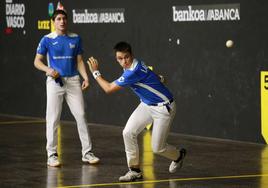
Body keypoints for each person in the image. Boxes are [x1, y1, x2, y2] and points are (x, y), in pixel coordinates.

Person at [87, 41, 186, 182]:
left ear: (131, 55)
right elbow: (150, 74)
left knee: (158, 148)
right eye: (120, 59)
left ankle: (178, 155)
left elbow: (108, 88)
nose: (124, 61)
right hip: (146, 105)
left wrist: (95, 72)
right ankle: (134, 170)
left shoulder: (133, 71)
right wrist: (159, 78)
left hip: (163, 108)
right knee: (128, 132)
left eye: (126, 57)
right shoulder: (137, 64)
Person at [34, 9, 100, 167]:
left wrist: (85, 77)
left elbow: (79, 61)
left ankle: (87, 152)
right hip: (54, 82)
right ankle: (51, 154)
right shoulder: (47, 39)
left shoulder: (76, 38)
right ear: (54, 22)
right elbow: (37, 61)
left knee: (81, 115)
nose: (62, 21)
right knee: (53, 118)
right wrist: (48, 70)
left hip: (73, 81)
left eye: (64, 18)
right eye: (58, 19)